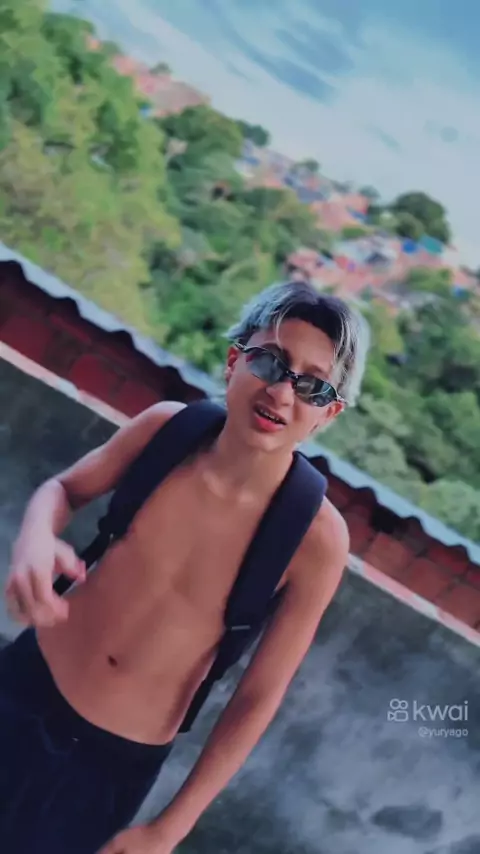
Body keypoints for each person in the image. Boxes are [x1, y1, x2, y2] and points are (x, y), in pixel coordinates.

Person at [1, 280, 369, 853]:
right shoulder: (167, 431)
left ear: (330, 412)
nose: (281, 392)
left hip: (108, 767)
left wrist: (170, 827)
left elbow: (257, 697)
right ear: (234, 361)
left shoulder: (316, 539)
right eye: (269, 362)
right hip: (23, 687)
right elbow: (64, 489)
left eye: (312, 385)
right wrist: (34, 540)